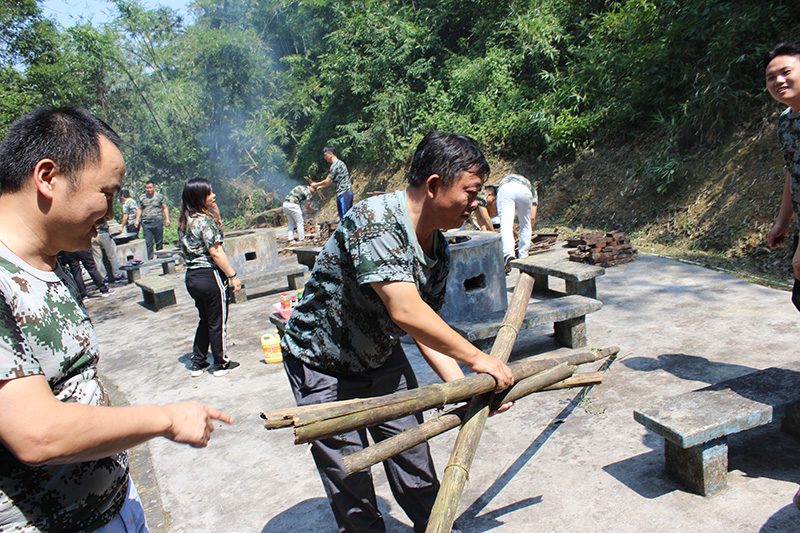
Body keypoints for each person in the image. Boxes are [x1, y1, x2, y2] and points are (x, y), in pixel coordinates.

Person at [0, 106, 232, 532]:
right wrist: (165, 418)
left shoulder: (49, 265)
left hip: (114, 505)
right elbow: (37, 432)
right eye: (106, 192)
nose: (110, 211)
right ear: (47, 177)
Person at [280, 131, 514, 533]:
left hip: (380, 357)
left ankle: (438, 527)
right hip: (322, 363)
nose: (476, 204)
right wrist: (479, 358)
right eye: (470, 192)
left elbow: (426, 328)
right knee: (349, 476)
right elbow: (405, 310)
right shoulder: (375, 220)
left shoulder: (438, 251)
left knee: (414, 458)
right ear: (435, 185)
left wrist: (466, 386)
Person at [178, 177, 242, 378]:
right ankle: (221, 363)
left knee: (205, 319)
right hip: (210, 276)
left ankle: (198, 362)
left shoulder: (186, 220)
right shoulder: (205, 222)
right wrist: (233, 276)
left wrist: (214, 210)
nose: (213, 195)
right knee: (218, 321)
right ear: (199, 197)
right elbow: (216, 252)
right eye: (209, 193)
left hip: (192, 277)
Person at [765, 41, 800, 314]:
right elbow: (793, 169)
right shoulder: (786, 121)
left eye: (786, 72)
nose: (779, 80)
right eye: (771, 77)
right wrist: (782, 221)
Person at [497, 174, 538, 273]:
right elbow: (532, 218)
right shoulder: (532, 190)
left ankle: (508, 254)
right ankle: (523, 255)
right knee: (526, 224)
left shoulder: (507, 180)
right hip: (525, 192)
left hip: (506, 189)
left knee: (506, 224)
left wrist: (513, 231)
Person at [311, 146, 353, 220]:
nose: (325, 157)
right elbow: (333, 180)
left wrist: (315, 184)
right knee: (346, 218)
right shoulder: (340, 163)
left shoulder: (335, 166)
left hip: (343, 193)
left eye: (325, 155)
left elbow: (327, 181)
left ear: (330, 153)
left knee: (344, 218)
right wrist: (322, 186)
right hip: (345, 193)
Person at [135, 180, 170, 259]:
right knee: (148, 242)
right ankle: (150, 259)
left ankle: (160, 258)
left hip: (157, 221)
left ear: (154, 187)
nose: (149, 190)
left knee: (159, 241)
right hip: (146, 223)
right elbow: (139, 209)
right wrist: (137, 220)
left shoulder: (159, 197)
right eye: (147, 188)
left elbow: (164, 207)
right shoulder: (142, 197)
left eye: (150, 188)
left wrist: (167, 219)